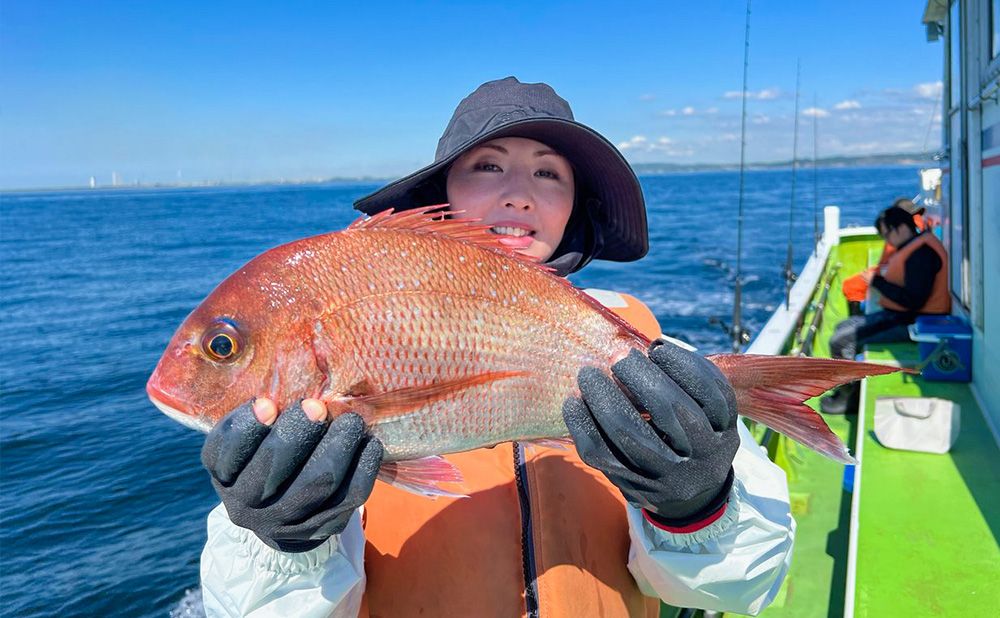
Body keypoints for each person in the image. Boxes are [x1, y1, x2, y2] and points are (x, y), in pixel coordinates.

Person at [199, 77, 794, 617]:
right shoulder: (350, 359)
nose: (519, 195)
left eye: (549, 172)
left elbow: (745, 588)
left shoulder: (649, 357)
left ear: (574, 206)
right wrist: (285, 539)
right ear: (442, 194)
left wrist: (699, 504)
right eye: (487, 166)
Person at [820, 204, 950, 414]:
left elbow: (913, 301)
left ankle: (849, 399)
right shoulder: (916, 246)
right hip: (904, 315)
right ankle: (847, 388)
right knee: (843, 326)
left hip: (914, 322)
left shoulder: (921, 255)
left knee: (841, 340)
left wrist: (876, 281)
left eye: (886, 234)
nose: (886, 241)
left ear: (900, 228)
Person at [840, 198, 930, 316]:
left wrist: (873, 277)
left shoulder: (901, 233)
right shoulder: (923, 225)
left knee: (850, 286)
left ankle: (857, 318)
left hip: (895, 279)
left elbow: (888, 263)